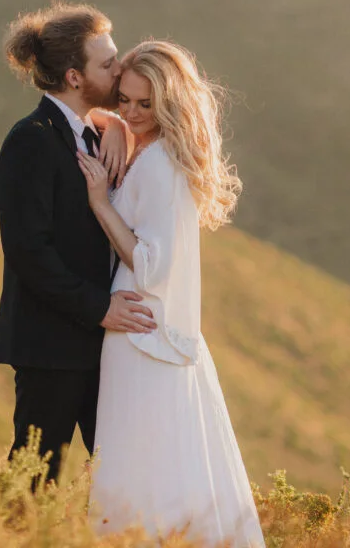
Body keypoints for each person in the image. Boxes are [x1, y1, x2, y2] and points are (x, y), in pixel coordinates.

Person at [78, 40, 266, 548]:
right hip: (148, 331)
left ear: (170, 102)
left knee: (138, 469)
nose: (134, 114)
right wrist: (114, 123)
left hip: (140, 331)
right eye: (126, 101)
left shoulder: (160, 163)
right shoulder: (153, 150)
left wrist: (100, 202)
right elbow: (92, 111)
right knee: (160, 464)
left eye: (145, 105)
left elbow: (150, 263)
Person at [0, 0, 157, 484]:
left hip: (100, 343)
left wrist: (119, 124)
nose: (120, 67)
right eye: (107, 64)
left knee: (120, 475)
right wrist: (99, 308)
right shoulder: (31, 140)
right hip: (51, 346)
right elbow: (28, 252)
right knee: (35, 479)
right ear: (73, 77)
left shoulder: (92, 131)